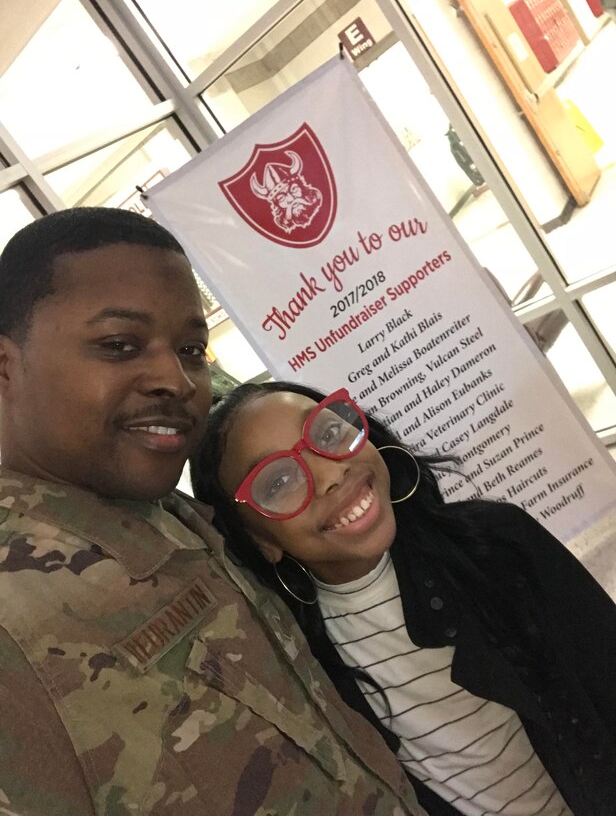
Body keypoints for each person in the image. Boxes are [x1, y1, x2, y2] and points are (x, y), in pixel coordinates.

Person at [0, 208, 423, 815]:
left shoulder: (174, 512)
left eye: (191, 349)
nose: (177, 380)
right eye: (120, 346)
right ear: (6, 367)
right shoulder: (14, 627)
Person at [191, 380, 616, 816]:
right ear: (259, 540)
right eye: (278, 481)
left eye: (328, 432)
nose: (330, 473)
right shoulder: (301, 664)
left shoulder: (499, 542)